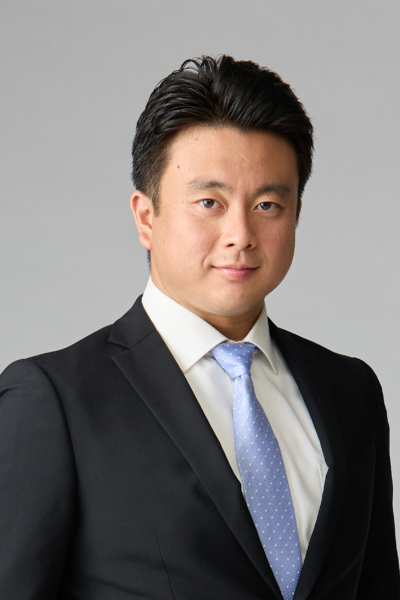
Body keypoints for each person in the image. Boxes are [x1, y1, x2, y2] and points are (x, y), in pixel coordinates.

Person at [0, 55, 398, 600]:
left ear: (296, 215)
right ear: (146, 216)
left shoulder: (351, 393)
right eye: (209, 202)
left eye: (267, 204)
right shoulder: (54, 401)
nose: (240, 234)